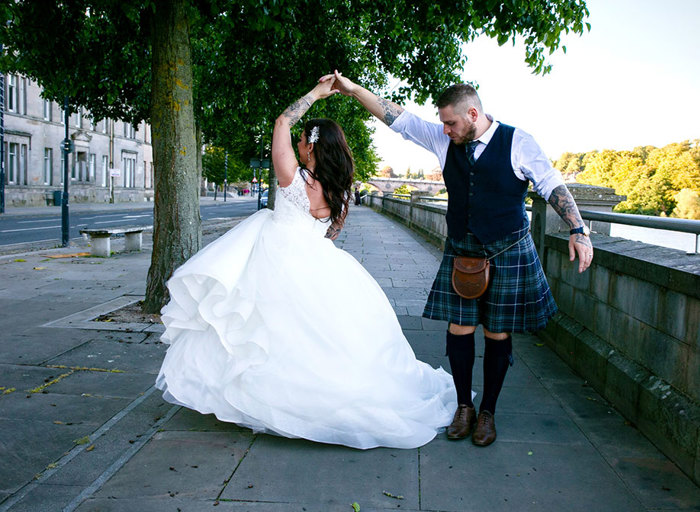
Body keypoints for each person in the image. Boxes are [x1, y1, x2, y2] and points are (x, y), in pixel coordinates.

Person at [155, 78, 458, 450]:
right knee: (316, 335)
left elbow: (281, 121)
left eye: (302, 141)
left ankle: (271, 402)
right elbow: (327, 234)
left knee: (264, 330)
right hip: (318, 258)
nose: (296, 144)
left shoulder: (293, 178)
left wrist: (315, 94)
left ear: (311, 146)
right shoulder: (338, 190)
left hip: (277, 254)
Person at [325, 71, 593, 446]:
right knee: (458, 331)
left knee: (497, 333)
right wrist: (352, 89)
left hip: (508, 250)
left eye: (450, 122)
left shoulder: (518, 142)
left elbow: (551, 186)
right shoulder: (443, 137)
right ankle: (464, 406)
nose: (445, 129)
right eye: (442, 123)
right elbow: (397, 118)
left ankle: (488, 412)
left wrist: (578, 230)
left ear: (471, 114)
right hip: (463, 252)